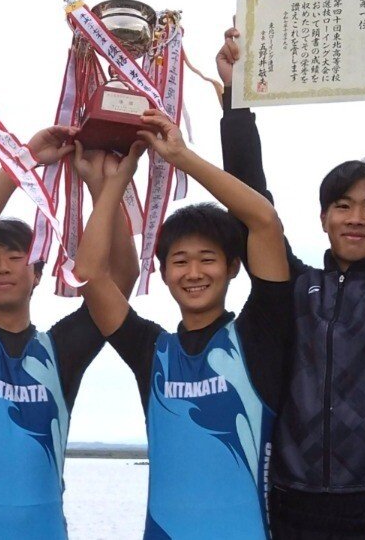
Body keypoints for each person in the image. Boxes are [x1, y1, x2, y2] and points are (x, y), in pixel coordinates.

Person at [217, 22, 365, 537]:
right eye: (342, 206)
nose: (356, 218)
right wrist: (236, 106)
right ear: (323, 218)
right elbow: (251, 205)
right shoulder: (290, 287)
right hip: (284, 502)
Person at [75, 113, 294, 539]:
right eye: (179, 260)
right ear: (162, 272)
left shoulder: (260, 333)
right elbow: (89, 274)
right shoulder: (150, 351)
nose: (193, 272)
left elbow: (264, 222)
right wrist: (116, 182)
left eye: (207, 259)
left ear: (233, 267)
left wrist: (181, 157)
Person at [0, 125, 140, 538]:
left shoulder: (59, 353)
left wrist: (104, 187)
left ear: (38, 273)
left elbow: (122, 278)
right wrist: (23, 159)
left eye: (16, 256)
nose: (3, 267)